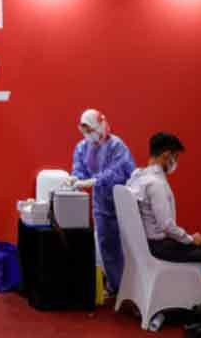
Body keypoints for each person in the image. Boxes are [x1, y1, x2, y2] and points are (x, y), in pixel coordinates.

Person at [128, 132, 201, 305]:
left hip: (146, 244)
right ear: (166, 155)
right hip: (161, 247)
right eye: (175, 157)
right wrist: (191, 239)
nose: (175, 162)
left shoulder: (137, 177)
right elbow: (167, 226)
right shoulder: (156, 184)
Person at [67, 108, 135, 296]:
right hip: (102, 205)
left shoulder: (116, 146)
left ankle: (134, 287)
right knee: (107, 245)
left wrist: (95, 181)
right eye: (85, 131)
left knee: (130, 245)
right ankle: (117, 286)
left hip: (123, 203)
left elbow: (118, 172)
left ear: (101, 125)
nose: (89, 135)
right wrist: (75, 179)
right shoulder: (82, 147)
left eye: (91, 130)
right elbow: (79, 169)